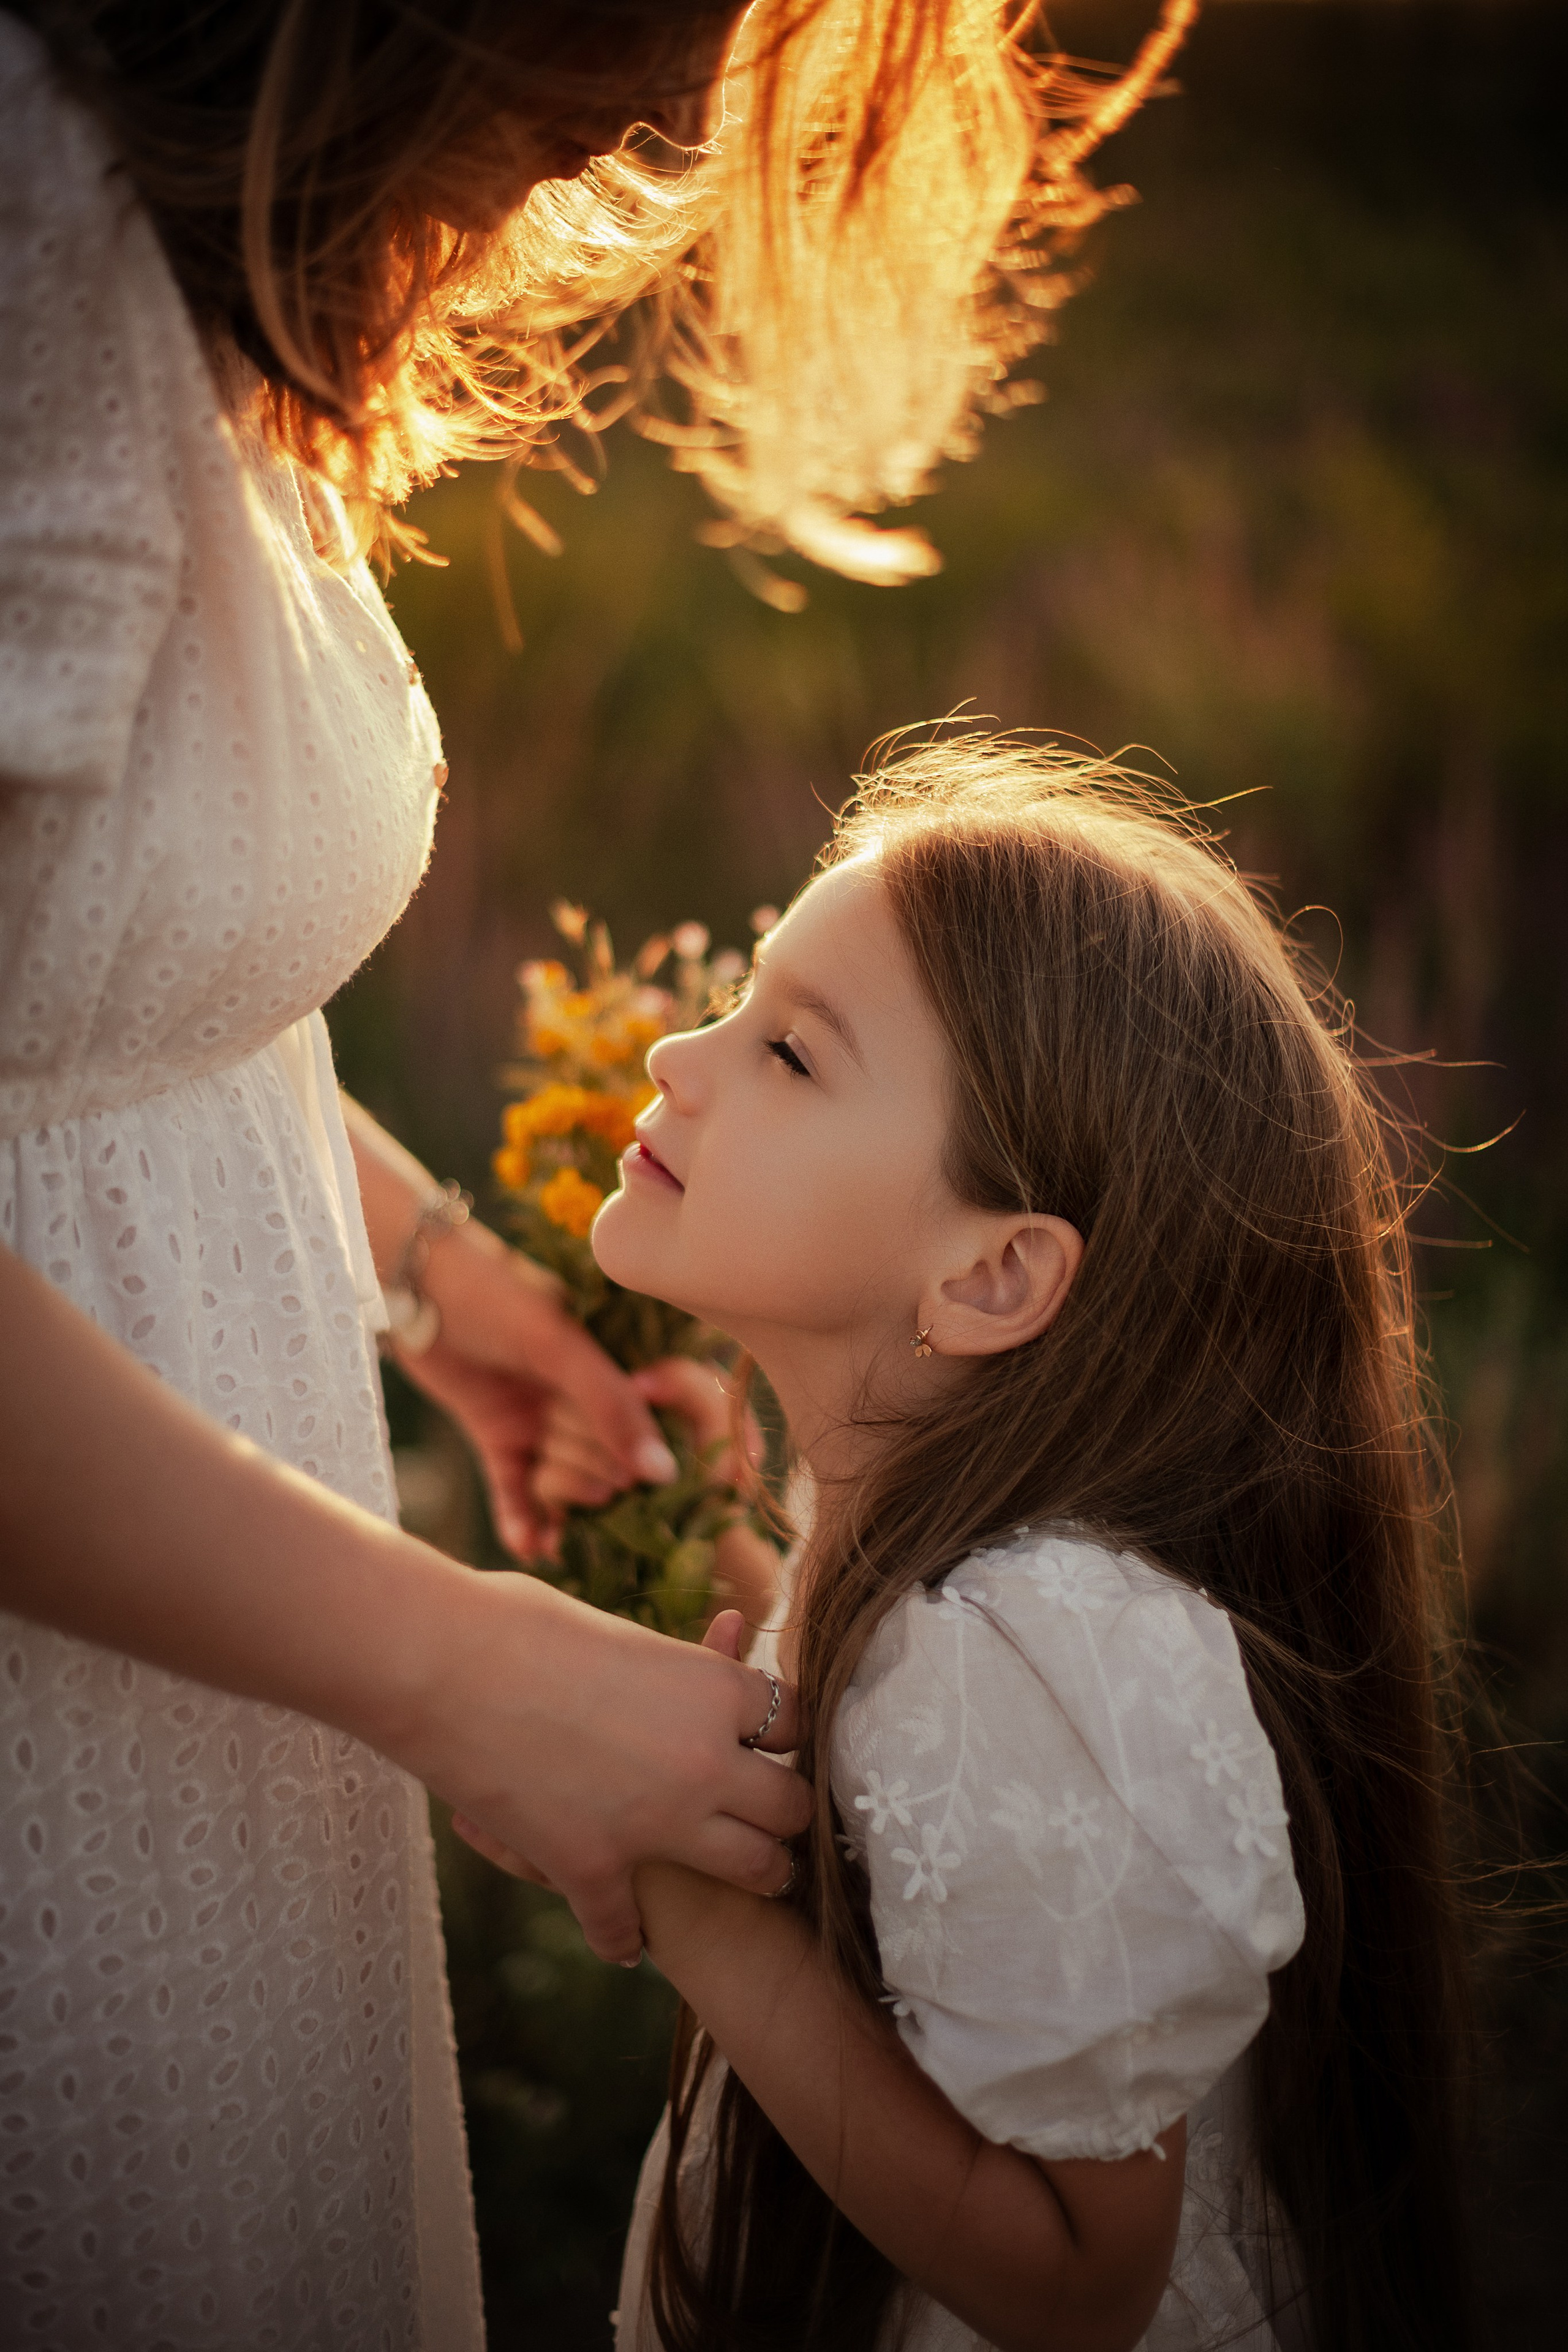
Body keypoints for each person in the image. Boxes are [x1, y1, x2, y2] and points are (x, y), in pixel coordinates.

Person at [0, 2, 1193, 2342]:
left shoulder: (1041, 1673)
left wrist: (435, 1280)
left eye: (791, 1040)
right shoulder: (32, 230)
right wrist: (461, 1676)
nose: (673, 106)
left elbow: (70, 992)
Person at [499, 738, 1474, 2350]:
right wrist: (695, 1556)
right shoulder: (937, 1556)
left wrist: (682, 1892)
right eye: (735, 1001)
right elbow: (886, 1769)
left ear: (995, 1278)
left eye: (790, 1056)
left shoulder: (1028, 1644)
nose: (676, 1052)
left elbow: (1082, 2278)